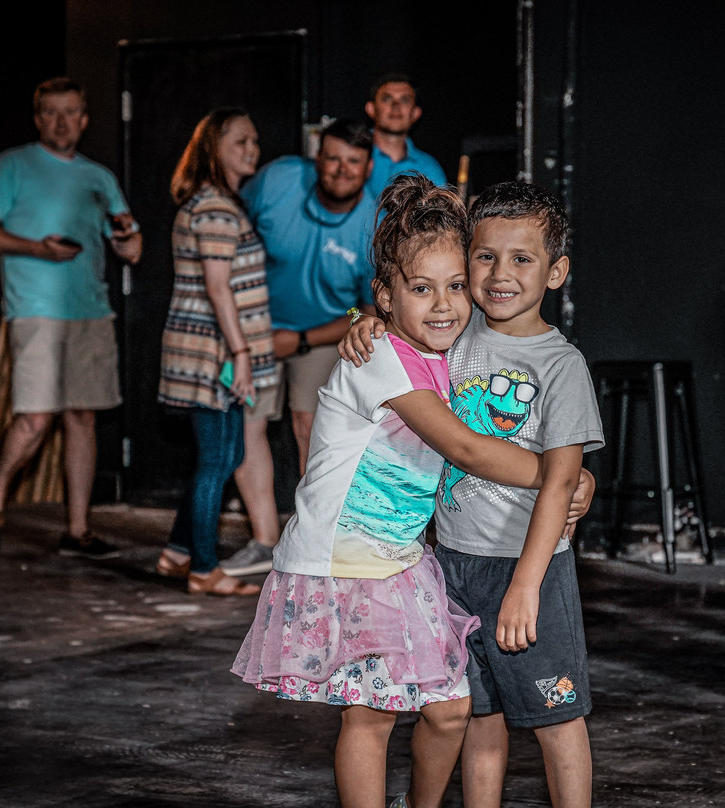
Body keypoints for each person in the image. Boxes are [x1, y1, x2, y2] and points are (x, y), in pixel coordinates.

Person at [232, 174, 591, 808]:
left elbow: (422, 336)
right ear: (388, 295)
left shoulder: (450, 348)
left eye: (456, 286)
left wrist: (362, 316)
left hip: (397, 558)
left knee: (451, 710)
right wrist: (562, 476)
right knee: (371, 716)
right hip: (344, 560)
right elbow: (466, 447)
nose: (446, 303)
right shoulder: (382, 357)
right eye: (422, 289)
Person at [341, 180, 604, 808]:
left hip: (528, 569)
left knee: (555, 717)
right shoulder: (454, 338)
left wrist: (526, 586)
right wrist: (368, 320)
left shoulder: (561, 365)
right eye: (484, 257)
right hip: (450, 566)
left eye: (523, 259)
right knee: (480, 718)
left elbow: (561, 477)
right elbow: (408, 321)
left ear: (556, 271)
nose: (500, 274)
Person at [0, 77, 142, 560]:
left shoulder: (98, 176)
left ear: (84, 120)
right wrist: (36, 249)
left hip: (91, 310)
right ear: (38, 117)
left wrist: (127, 238)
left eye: (71, 112)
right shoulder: (13, 165)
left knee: (82, 417)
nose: (61, 121)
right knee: (36, 418)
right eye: (51, 112)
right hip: (36, 312)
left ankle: (78, 530)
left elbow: (132, 247)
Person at [222, 118, 379, 579]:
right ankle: (264, 539)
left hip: (324, 334)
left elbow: (366, 314)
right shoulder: (276, 181)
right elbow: (228, 233)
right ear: (317, 158)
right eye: (331, 158)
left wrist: (307, 338)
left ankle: (317, 540)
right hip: (252, 330)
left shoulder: (373, 222)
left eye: (352, 161)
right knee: (243, 425)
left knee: (312, 424)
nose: (340, 169)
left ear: (368, 168)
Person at [155, 109, 278, 596]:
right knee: (216, 459)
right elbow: (217, 286)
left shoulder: (217, 204)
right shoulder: (215, 209)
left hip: (216, 350)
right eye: (240, 140)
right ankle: (204, 570)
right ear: (213, 147)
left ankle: (179, 551)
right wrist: (241, 354)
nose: (252, 148)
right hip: (213, 354)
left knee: (222, 457)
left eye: (255, 140)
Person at [363, 72, 448, 200]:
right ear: (371, 109)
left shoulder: (430, 168)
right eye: (387, 98)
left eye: (405, 100)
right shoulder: (348, 155)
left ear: (415, 113)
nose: (396, 106)